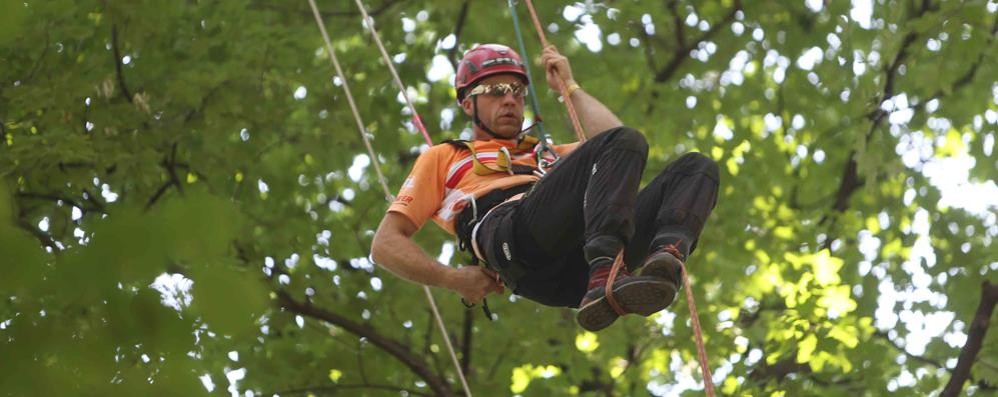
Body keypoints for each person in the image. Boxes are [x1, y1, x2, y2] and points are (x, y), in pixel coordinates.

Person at [371, 43, 719, 331]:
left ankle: (663, 258)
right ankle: (605, 267)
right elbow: (385, 244)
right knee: (622, 142)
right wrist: (451, 278)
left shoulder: (548, 154)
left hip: (576, 269)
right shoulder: (447, 156)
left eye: (517, 91)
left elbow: (621, 142)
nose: (509, 100)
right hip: (517, 239)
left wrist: (569, 87)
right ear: (467, 103)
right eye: (494, 91)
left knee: (696, 168)